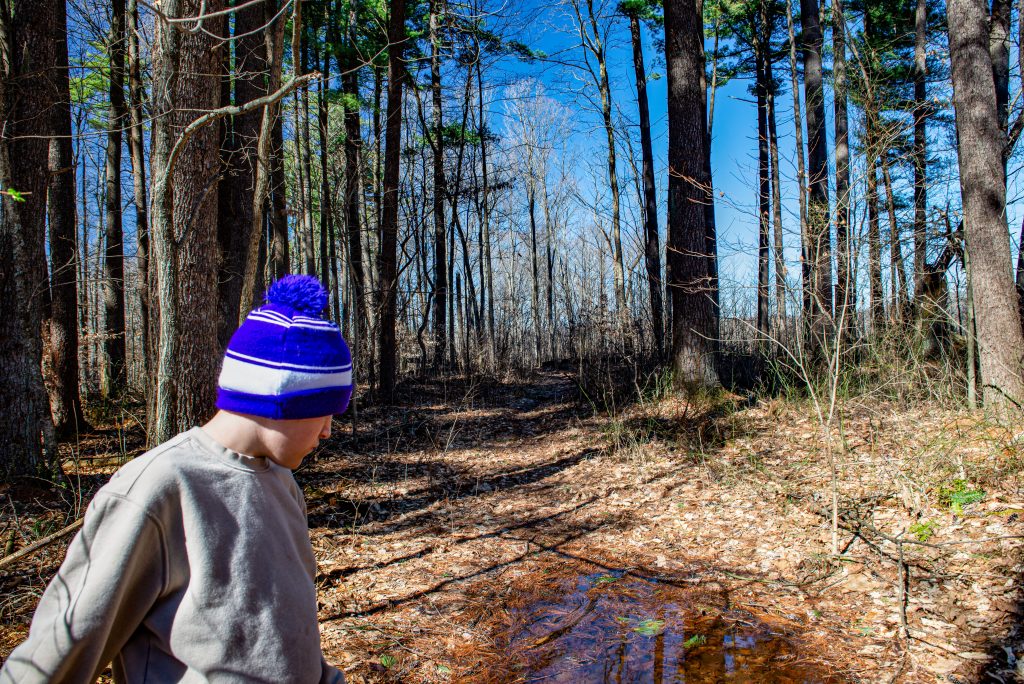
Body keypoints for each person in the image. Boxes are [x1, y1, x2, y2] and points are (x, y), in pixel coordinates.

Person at [1, 275, 351, 683]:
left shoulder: (281, 483)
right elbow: (60, 653)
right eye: (324, 410)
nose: (327, 431)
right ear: (281, 398)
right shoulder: (158, 488)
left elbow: (281, 643)